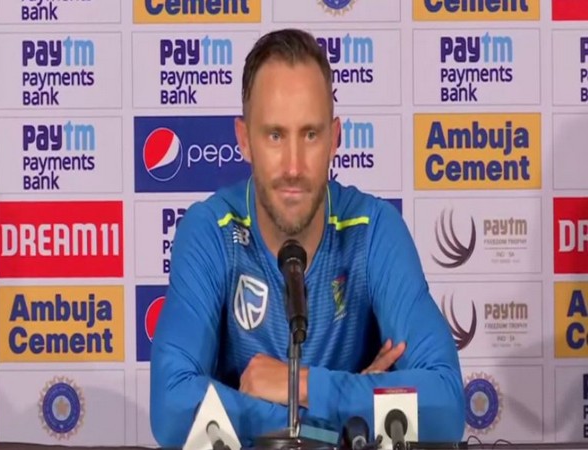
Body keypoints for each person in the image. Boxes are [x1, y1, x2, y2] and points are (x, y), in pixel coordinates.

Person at [150, 28, 465, 448]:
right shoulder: (211, 230)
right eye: (275, 135)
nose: (294, 167)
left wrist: (301, 384)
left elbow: (446, 408)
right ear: (244, 141)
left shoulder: (374, 230)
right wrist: (349, 413)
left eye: (311, 135)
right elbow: (172, 410)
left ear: (335, 139)